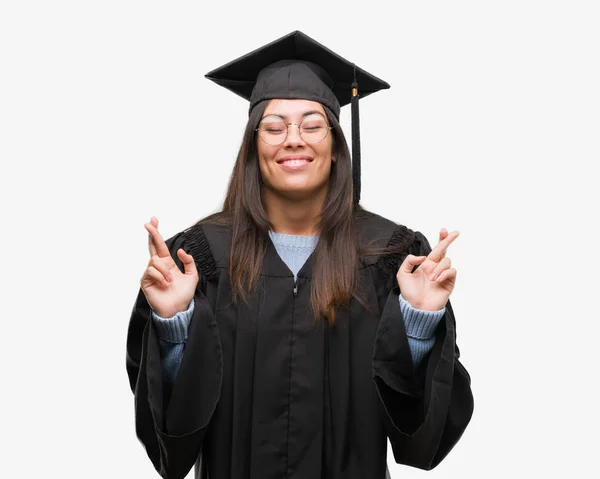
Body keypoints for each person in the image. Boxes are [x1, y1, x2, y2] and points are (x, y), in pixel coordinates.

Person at [126, 30, 474, 479]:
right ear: (253, 145)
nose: (293, 139)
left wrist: (417, 324)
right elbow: (171, 439)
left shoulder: (393, 257)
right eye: (274, 127)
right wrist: (174, 328)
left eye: (312, 125)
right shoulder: (197, 259)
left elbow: (421, 440)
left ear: (334, 147)